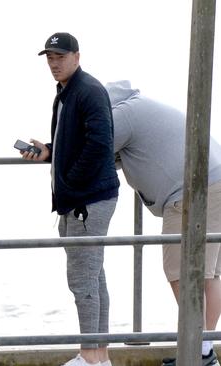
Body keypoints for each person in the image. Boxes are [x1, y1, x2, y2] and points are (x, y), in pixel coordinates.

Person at [21, 32, 120, 366]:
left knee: (83, 279)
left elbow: (100, 144)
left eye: (60, 57)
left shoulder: (88, 90)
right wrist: (51, 151)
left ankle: (90, 357)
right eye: (49, 57)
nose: (54, 63)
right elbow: (77, 139)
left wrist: (70, 179)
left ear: (77, 56)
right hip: (81, 199)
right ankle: (99, 355)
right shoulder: (66, 91)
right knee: (93, 276)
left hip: (87, 201)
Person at [106, 80, 221, 366]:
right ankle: (201, 349)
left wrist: (50, 150)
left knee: (180, 272)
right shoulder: (142, 107)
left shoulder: (122, 115)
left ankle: (201, 352)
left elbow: (95, 147)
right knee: (209, 274)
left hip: (190, 192)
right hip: (214, 181)